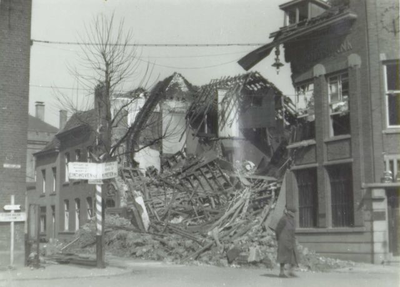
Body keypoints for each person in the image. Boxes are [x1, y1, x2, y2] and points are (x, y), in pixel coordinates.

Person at [275, 206, 299, 278]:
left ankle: (291, 271)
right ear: (288, 211)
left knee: (294, 255)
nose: (294, 214)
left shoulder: (293, 220)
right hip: (283, 240)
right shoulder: (283, 219)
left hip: (291, 240)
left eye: (294, 212)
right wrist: (279, 239)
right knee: (283, 256)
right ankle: (281, 273)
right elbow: (277, 230)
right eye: (292, 212)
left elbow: (292, 231)